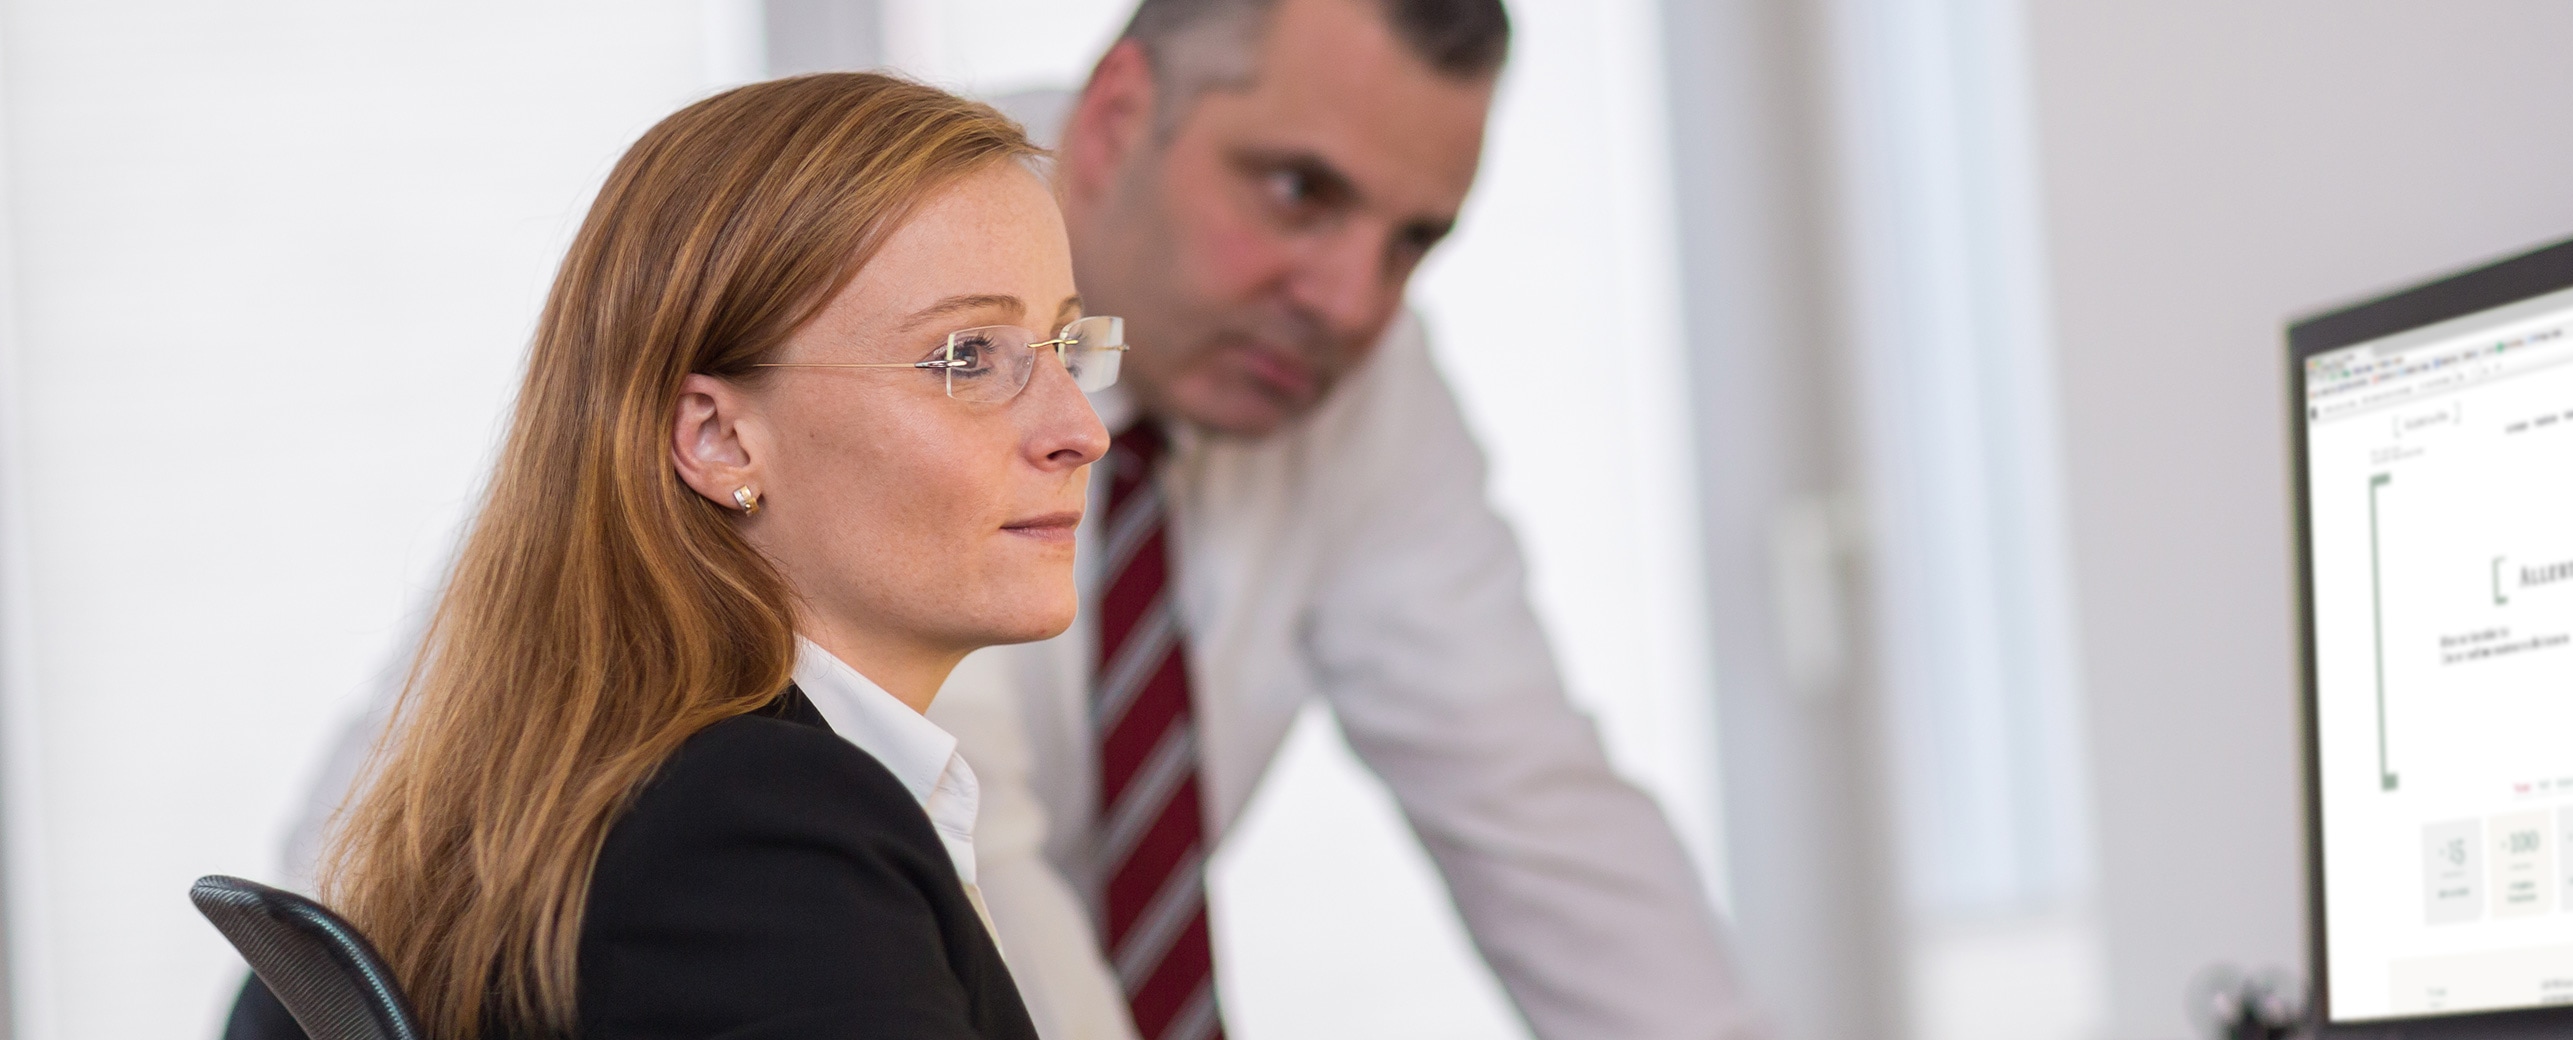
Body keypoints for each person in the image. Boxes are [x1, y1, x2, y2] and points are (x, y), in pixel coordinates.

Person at [277, 1, 1767, 1038]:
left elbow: (1544, 816)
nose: (1353, 298)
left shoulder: (1358, 380)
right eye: (1298, 191)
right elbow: (959, 881)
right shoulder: (765, 818)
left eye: (1415, 240)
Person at [248, 73, 1114, 1040]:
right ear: (716, 438)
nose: (1081, 429)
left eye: (1069, 349)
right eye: (968, 357)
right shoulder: (758, 832)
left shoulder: (648, 799)